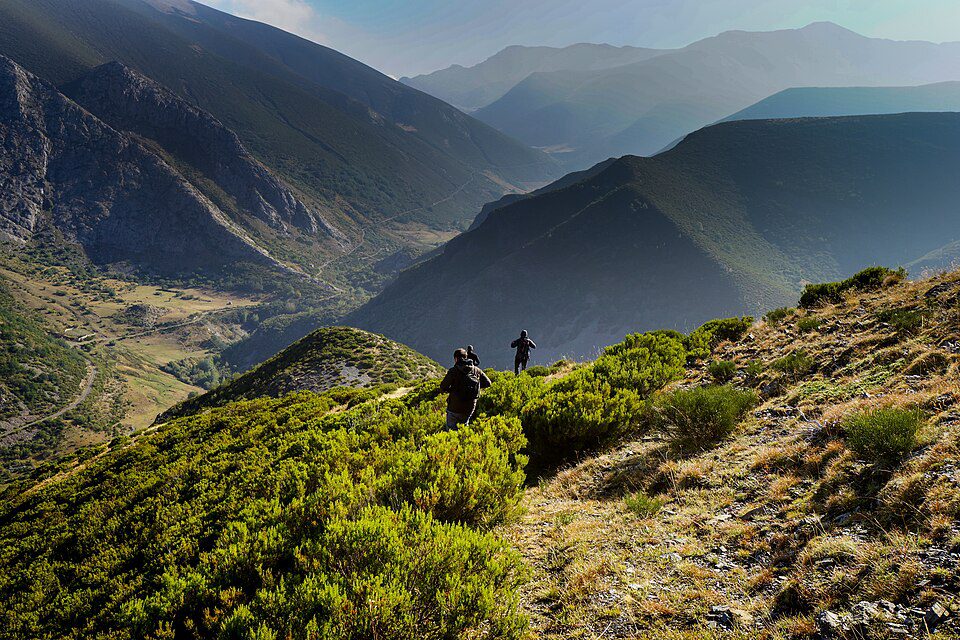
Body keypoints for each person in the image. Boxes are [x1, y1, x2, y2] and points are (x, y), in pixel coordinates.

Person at [439, 348, 491, 428]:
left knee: (450, 429)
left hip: (454, 407)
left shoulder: (453, 371)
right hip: (470, 407)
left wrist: (451, 390)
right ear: (466, 357)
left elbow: (443, 386)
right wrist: (476, 387)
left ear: (456, 359)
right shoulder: (476, 370)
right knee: (464, 427)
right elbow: (488, 383)